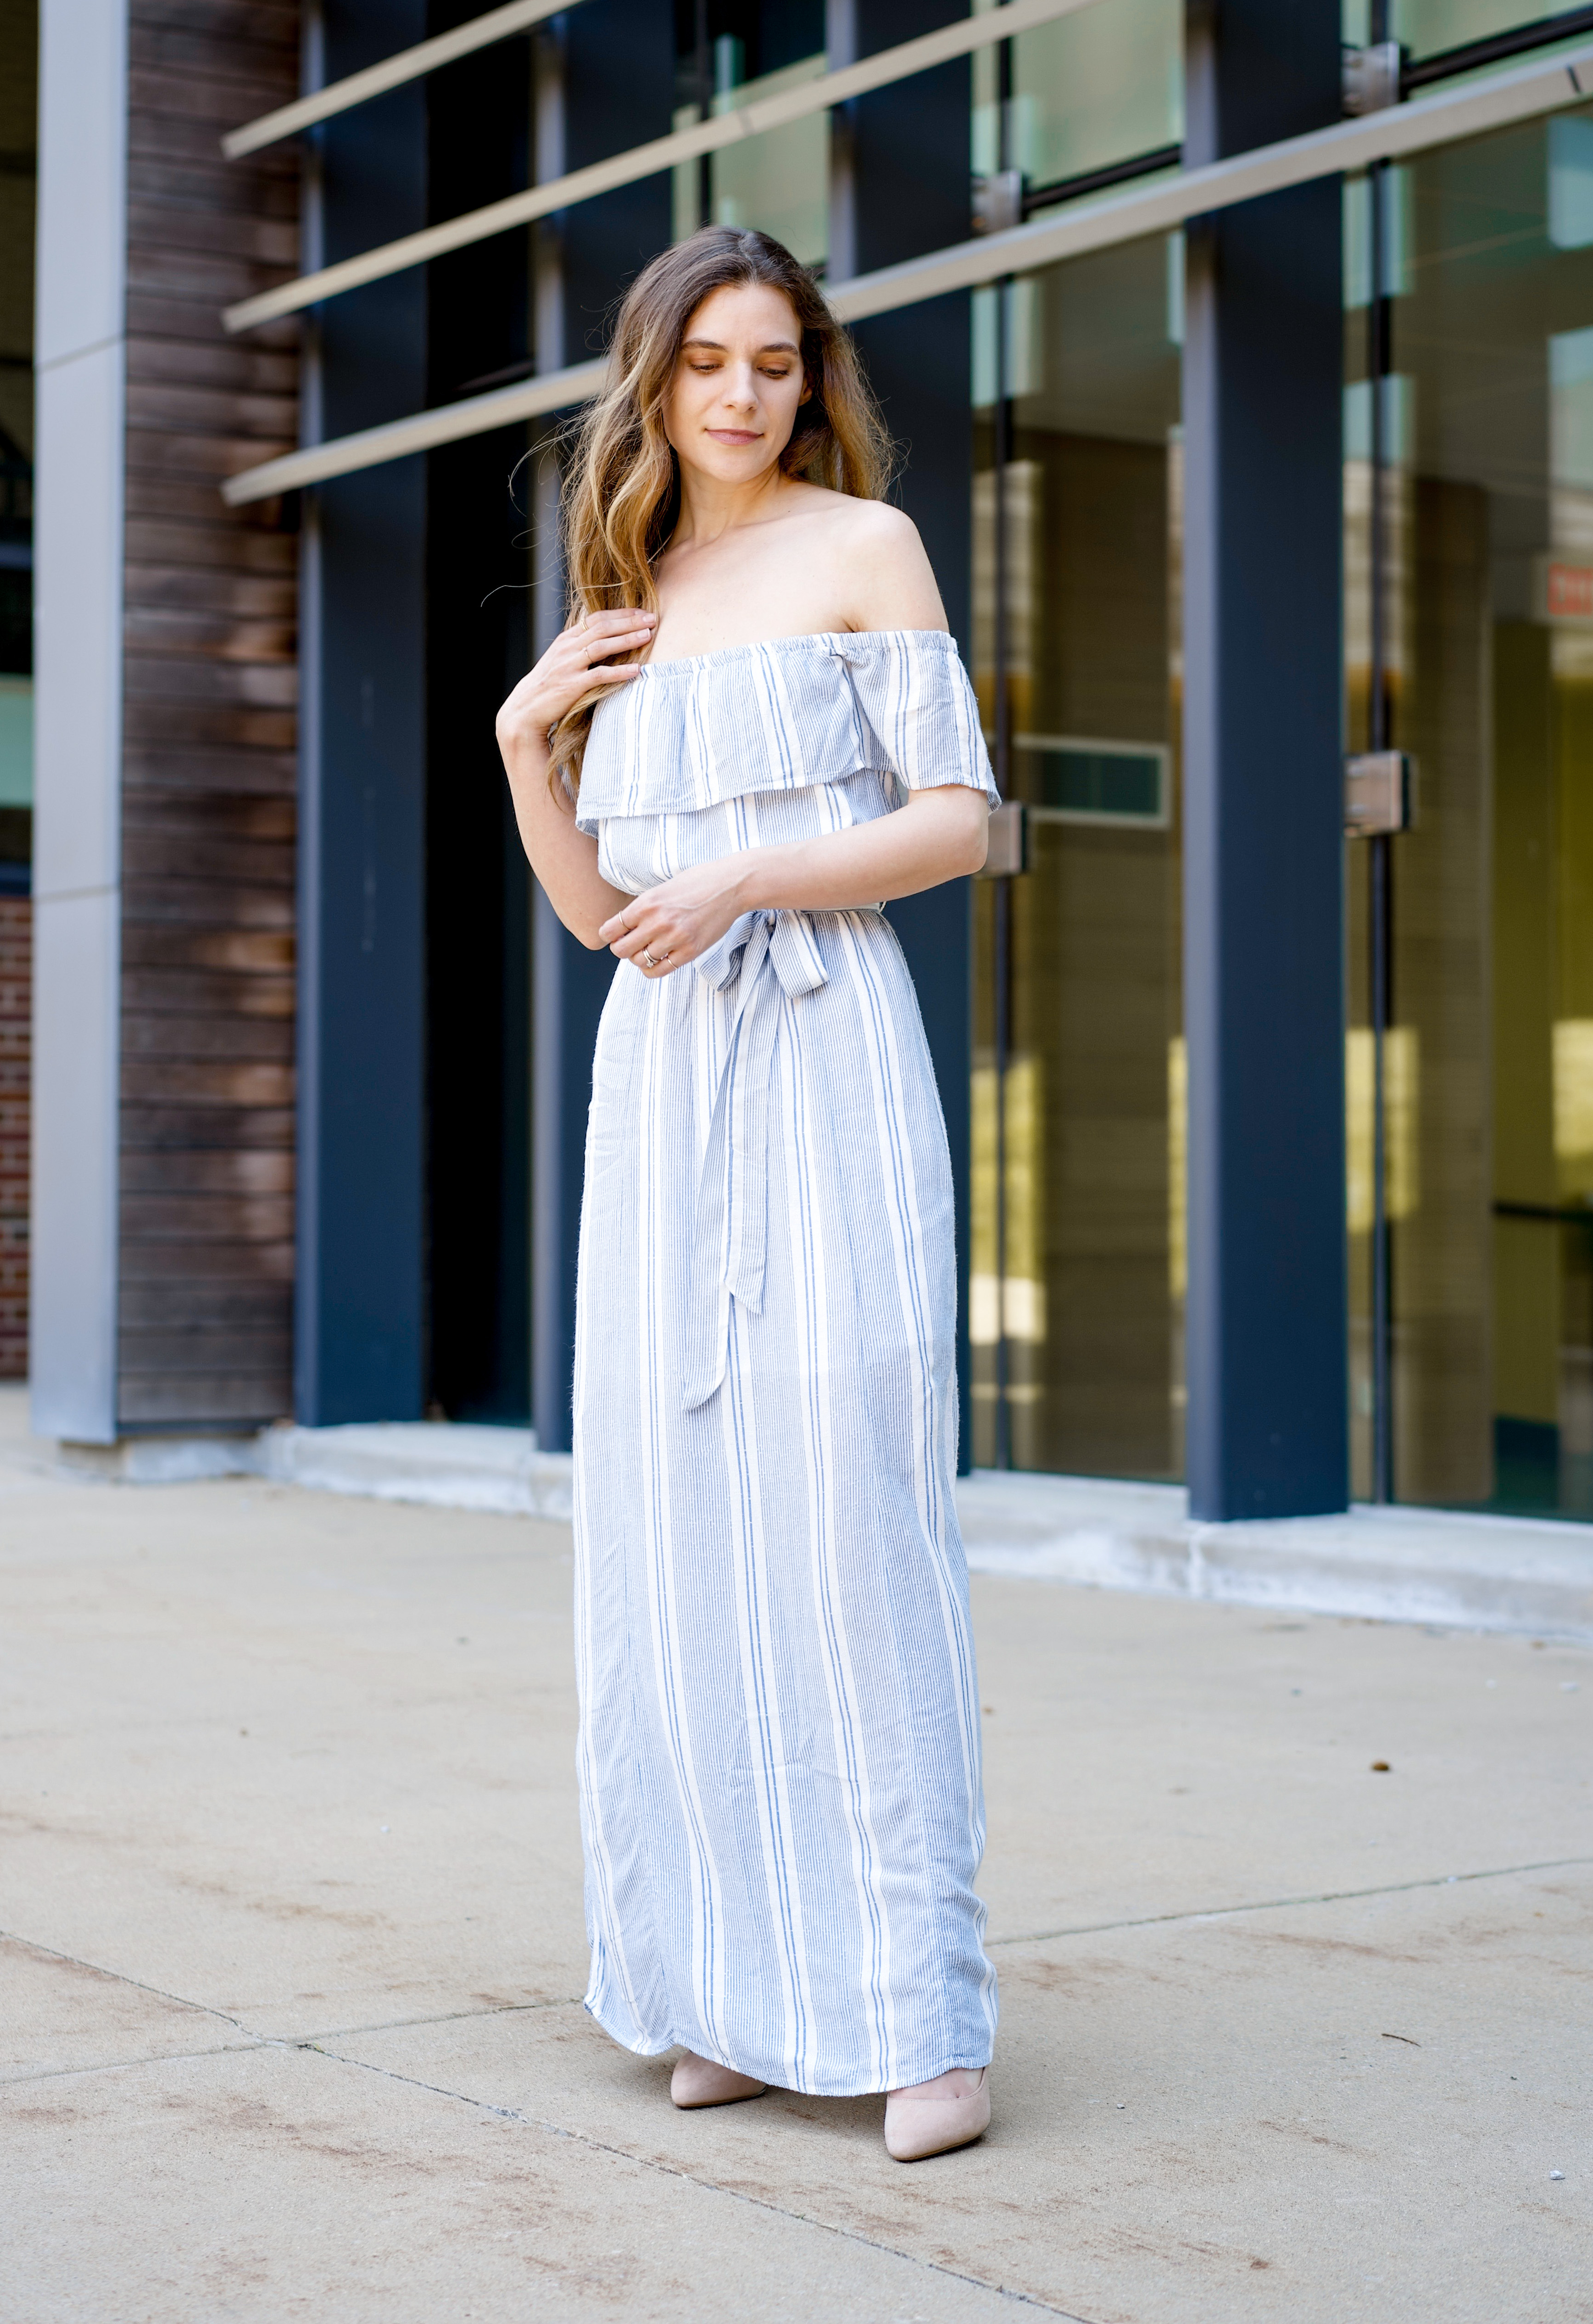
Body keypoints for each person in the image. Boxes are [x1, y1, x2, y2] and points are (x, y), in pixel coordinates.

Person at [496, 226, 1000, 2163]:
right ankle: (731, 1995)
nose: (738, 393)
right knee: (678, 1528)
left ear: (813, 378)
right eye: (705, 359)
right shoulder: (623, 582)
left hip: (821, 1054)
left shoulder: (863, 547)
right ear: (656, 374)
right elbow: (592, 912)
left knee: (851, 1510)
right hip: (667, 1085)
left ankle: (916, 2019)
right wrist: (524, 731)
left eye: (774, 361)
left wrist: (753, 881)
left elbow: (956, 823)